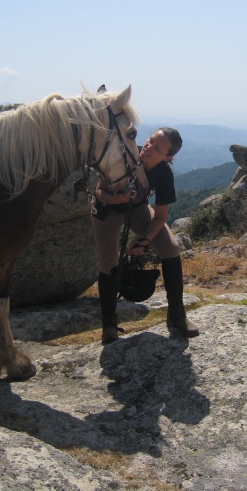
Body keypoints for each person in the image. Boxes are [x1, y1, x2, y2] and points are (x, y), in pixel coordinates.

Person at [91, 127, 199, 344]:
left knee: (171, 248)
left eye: (157, 148)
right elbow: (99, 191)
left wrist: (145, 241)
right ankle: (109, 325)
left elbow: (160, 217)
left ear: (167, 157)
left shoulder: (163, 174)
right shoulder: (126, 157)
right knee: (109, 262)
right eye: (150, 141)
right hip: (107, 209)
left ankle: (177, 316)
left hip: (138, 208)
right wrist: (118, 199)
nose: (148, 147)